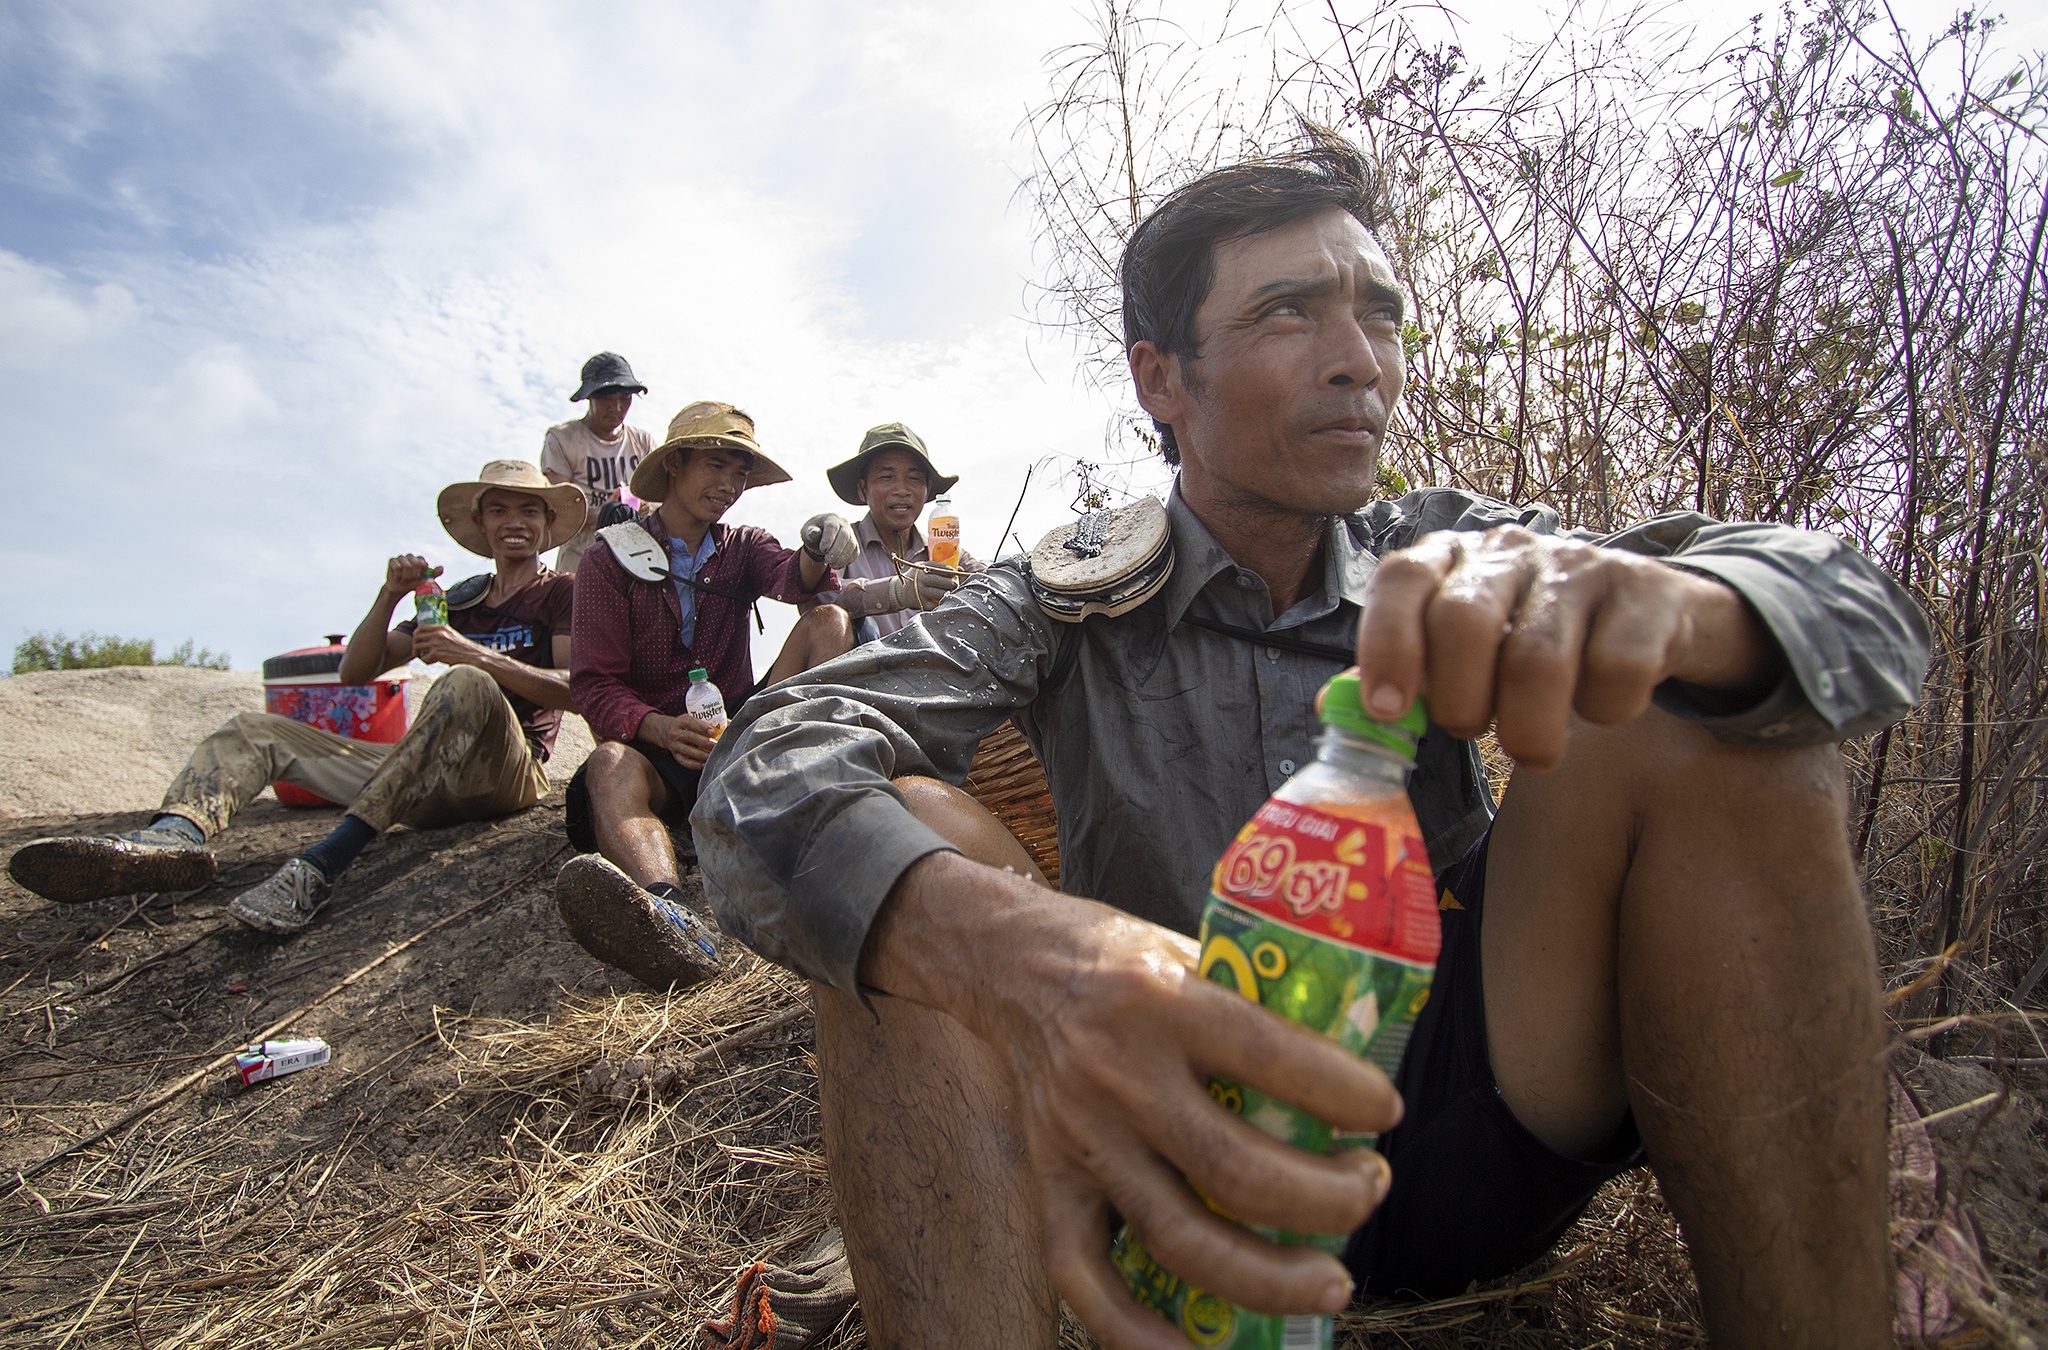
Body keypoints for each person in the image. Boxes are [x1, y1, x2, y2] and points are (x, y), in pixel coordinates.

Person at [688, 131, 1931, 1349]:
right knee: (902, 846)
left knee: (1700, 715)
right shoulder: (1055, 599)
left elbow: (1868, 622)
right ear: (1160, 379)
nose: (1360, 363)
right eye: (1288, 314)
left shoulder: (1445, 542)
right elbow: (766, 761)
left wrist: (1685, 615)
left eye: (1379, 314)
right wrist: (1006, 949)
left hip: (1466, 1116)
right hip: (1169, 1143)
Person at [9, 461, 586, 934]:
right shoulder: (456, 600)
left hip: (507, 773)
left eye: (528, 509)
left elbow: (577, 690)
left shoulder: (559, 594)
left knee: (465, 683)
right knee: (251, 728)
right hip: (422, 774)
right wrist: (388, 596)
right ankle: (173, 840)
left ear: (547, 522)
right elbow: (355, 673)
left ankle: (319, 866)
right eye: (500, 509)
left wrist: (475, 657)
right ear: (481, 524)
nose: (515, 521)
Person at [553, 400, 857, 992]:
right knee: (609, 763)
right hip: (663, 751)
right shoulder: (606, 559)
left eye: (740, 473)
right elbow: (593, 685)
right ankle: (668, 914)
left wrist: (821, 549)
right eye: (715, 466)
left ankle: (807, 794)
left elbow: (792, 579)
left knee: (830, 624)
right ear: (675, 465)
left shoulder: (743, 544)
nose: (729, 485)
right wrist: (658, 727)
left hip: (738, 733)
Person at [808, 422, 982, 642]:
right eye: (886, 477)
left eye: (914, 479)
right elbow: (824, 604)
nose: (902, 490)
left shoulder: (945, 552)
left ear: (927, 488)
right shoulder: (841, 544)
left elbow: (990, 581)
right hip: (858, 675)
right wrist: (895, 592)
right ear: (863, 489)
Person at [541, 351, 656, 572]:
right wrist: (607, 512)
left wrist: (642, 506)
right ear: (589, 397)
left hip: (636, 561)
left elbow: (663, 501)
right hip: (580, 563)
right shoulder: (563, 439)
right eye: (607, 398)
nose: (617, 408)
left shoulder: (642, 442)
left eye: (625, 398)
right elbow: (560, 508)